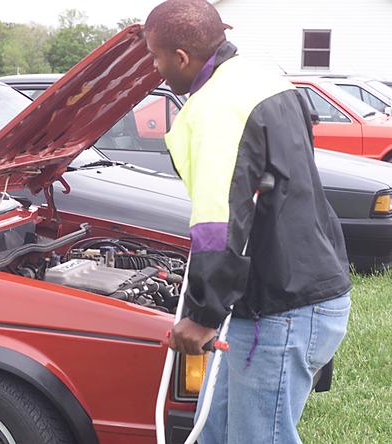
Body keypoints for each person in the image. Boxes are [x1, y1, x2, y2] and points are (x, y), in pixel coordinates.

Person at [143, 1, 351, 443]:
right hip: (291, 290)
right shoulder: (263, 80)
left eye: (155, 57)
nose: (155, 68)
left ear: (181, 57)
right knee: (212, 433)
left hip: (282, 309)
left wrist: (203, 313)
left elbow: (219, 220)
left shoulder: (216, 107)